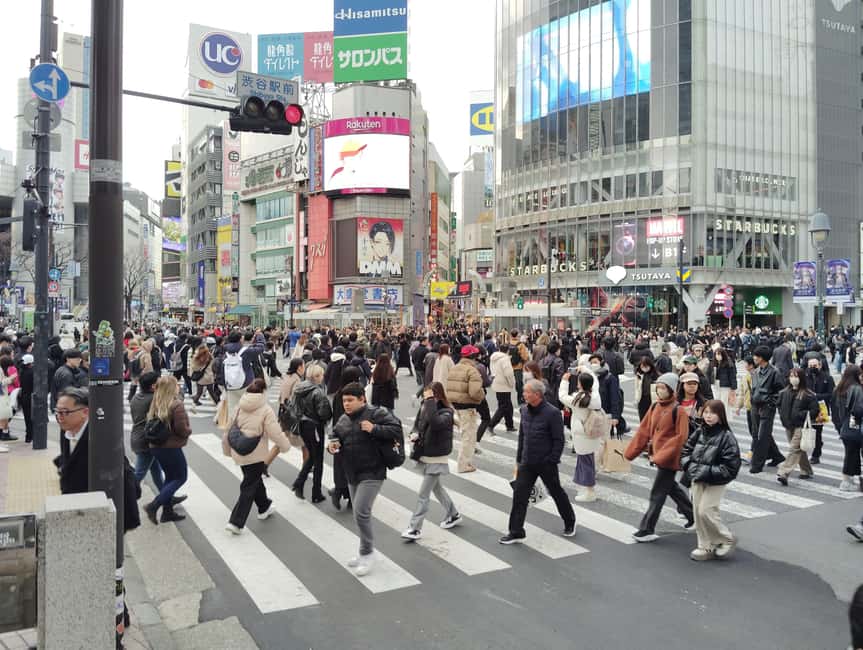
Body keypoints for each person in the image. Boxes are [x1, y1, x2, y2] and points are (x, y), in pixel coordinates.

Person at [328, 382, 403, 576]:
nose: (346, 404)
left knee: (361, 512)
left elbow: (396, 428)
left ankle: (368, 553)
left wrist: (374, 428)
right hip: (352, 472)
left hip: (373, 471)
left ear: (362, 399)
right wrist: (333, 444)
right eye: (344, 400)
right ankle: (363, 553)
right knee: (358, 515)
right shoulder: (344, 419)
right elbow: (334, 434)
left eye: (350, 400)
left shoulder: (375, 413)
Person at [499, 379, 576, 544]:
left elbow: (559, 440)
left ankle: (569, 521)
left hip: (546, 463)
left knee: (556, 492)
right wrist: (519, 459)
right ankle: (516, 531)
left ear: (537, 394)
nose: (524, 394)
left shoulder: (553, 413)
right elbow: (522, 436)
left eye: (527, 392)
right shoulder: (524, 410)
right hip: (527, 462)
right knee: (519, 496)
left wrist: (552, 459)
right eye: (524, 391)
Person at [624, 372, 694, 542]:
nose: (660, 391)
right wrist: (631, 452)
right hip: (658, 455)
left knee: (658, 492)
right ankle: (694, 516)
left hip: (670, 458)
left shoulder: (679, 411)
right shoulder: (655, 407)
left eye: (663, 388)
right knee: (672, 489)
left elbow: (681, 438)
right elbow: (644, 430)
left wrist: (662, 455)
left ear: (672, 389)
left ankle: (647, 528)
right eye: (658, 387)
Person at [223, 378, 293, 534]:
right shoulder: (265, 409)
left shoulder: (239, 406)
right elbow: (275, 432)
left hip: (239, 450)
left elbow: (228, 428)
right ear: (263, 392)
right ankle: (236, 522)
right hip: (255, 453)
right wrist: (285, 446)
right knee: (249, 485)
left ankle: (264, 506)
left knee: (253, 480)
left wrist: (227, 450)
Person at [680, 400, 741, 560]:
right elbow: (686, 450)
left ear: (720, 415)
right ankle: (704, 546)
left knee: (705, 511)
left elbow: (731, 466)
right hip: (697, 477)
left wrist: (706, 471)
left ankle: (726, 538)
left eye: (712, 413)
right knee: (697, 514)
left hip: (715, 480)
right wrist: (689, 466)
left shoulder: (727, 437)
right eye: (706, 412)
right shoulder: (700, 431)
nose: (708, 416)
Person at [401, 382, 462, 540]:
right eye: (426, 395)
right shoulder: (426, 407)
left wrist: (428, 402)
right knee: (437, 489)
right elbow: (418, 426)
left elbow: (435, 424)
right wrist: (414, 435)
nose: (427, 398)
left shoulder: (447, 413)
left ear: (438, 395)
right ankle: (453, 514)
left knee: (423, 494)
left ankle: (415, 528)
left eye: (431, 395)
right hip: (425, 453)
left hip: (437, 457)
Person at [143, 376, 192, 525]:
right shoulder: (176, 404)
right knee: (180, 477)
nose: (179, 386)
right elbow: (181, 429)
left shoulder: (156, 402)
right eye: (177, 384)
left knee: (170, 478)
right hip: (170, 447)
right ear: (172, 388)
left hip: (157, 446)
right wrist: (189, 430)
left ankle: (167, 512)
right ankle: (154, 506)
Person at [291, 364, 333, 502]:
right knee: (318, 459)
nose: (323, 377)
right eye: (321, 374)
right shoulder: (318, 392)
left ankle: (300, 483)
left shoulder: (299, 388)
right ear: (317, 376)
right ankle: (315, 492)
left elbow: (294, 409)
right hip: (315, 426)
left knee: (312, 456)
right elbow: (324, 413)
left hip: (302, 424)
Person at [558, 372, 602, 502]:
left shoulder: (578, 399)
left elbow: (562, 396)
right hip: (591, 433)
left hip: (582, 435)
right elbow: (596, 384)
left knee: (586, 463)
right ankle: (586, 487)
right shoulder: (595, 396)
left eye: (578, 381)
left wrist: (564, 381)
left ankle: (590, 492)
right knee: (586, 462)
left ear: (581, 384)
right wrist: (586, 369)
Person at [775, 368, 819, 486]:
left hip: (801, 425)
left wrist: (801, 414)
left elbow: (815, 410)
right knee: (799, 449)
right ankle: (806, 470)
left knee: (794, 449)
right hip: (788, 425)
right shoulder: (784, 392)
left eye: (796, 376)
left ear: (801, 378)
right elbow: (778, 405)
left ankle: (784, 472)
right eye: (791, 376)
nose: (793, 378)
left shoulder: (808, 394)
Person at [446, 345, 485, 473]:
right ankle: (464, 464)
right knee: (468, 436)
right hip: (467, 405)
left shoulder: (455, 367)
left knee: (465, 433)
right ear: (473, 357)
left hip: (456, 403)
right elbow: (474, 392)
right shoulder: (472, 371)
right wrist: (482, 394)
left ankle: (464, 462)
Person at [329, 366, 363, 510]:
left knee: (339, 465)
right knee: (352, 466)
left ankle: (338, 491)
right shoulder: (353, 396)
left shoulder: (338, 394)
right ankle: (350, 498)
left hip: (338, 433)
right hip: (351, 435)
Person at [749, 345, 786, 473]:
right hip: (755, 406)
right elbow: (753, 389)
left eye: (756, 356)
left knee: (762, 436)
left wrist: (771, 404)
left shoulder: (774, 372)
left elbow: (780, 391)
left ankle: (757, 464)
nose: (754, 358)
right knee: (756, 434)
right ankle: (777, 457)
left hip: (766, 407)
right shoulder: (755, 372)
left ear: (763, 358)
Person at [130, 371, 166, 493]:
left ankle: (166, 496)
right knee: (138, 474)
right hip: (147, 440)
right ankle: (126, 497)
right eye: (159, 381)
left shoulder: (137, 397)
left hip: (137, 436)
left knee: (156, 470)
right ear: (153, 386)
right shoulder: (153, 399)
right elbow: (166, 413)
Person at [832, 365, 863, 492]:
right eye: (860, 374)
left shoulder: (838, 389)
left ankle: (848, 481)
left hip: (845, 426)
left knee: (850, 454)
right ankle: (846, 483)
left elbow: (834, 411)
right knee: (852, 454)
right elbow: (858, 410)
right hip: (855, 426)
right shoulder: (857, 389)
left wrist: (839, 426)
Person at [804, 356, 834, 465]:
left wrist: (817, 396)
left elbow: (831, 395)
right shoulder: (804, 376)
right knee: (804, 431)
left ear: (820, 366)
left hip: (820, 410)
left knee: (817, 433)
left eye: (815, 366)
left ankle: (816, 455)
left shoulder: (827, 378)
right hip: (806, 409)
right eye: (810, 366)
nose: (812, 368)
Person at [489, 343, 517, 434]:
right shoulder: (505, 359)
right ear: (508, 350)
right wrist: (512, 383)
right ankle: (491, 424)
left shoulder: (494, 358)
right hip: (504, 385)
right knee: (504, 407)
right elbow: (508, 373)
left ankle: (510, 425)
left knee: (508, 406)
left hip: (497, 383)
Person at [737, 357, 756, 463]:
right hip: (749, 406)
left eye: (746, 364)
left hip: (755, 407)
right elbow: (743, 393)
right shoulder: (746, 376)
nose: (744, 366)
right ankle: (776, 456)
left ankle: (751, 454)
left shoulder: (754, 376)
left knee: (755, 432)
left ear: (751, 365)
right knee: (756, 432)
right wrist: (739, 406)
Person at [635, 355, 659, 421]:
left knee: (651, 419)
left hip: (652, 400)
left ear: (650, 365)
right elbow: (637, 388)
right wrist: (637, 399)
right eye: (642, 367)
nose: (644, 368)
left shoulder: (655, 375)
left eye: (646, 366)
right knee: (642, 420)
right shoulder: (639, 375)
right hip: (642, 399)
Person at [509, 331, 530, 404]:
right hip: (518, 366)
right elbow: (525, 357)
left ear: (511, 335)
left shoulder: (507, 344)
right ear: (517, 335)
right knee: (519, 383)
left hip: (508, 367)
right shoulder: (521, 345)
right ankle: (520, 398)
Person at [18, 353, 34, 444]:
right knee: (32, 418)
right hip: (31, 397)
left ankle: (28, 436)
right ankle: (31, 436)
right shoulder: (32, 372)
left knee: (27, 418)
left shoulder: (22, 371)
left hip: (24, 397)